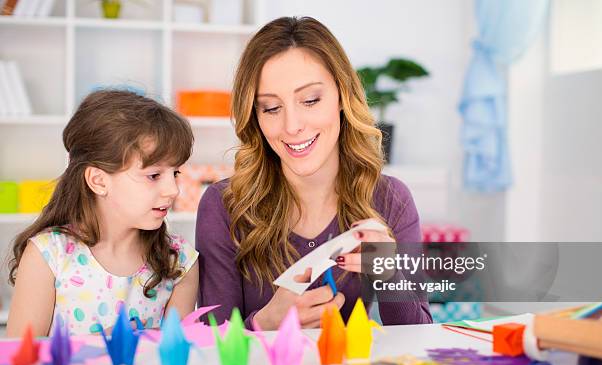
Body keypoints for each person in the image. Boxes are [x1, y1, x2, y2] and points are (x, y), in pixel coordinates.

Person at [197, 16, 432, 330]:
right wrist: (266, 322)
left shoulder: (390, 200)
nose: (292, 126)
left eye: (310, 100)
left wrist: (390, 273)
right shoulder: (223, 205)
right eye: (270, 107)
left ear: (341, 96)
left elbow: (417, 335)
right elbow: (212, 348)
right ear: (255, 116)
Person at [6, 90, 199, 337]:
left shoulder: (180, 262)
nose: (173, 190)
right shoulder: (49, 255)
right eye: (154, 175)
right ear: (98, 181)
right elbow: (20, 364)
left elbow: (174, 359)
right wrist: (98, 347)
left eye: (175, 173)